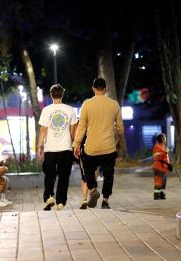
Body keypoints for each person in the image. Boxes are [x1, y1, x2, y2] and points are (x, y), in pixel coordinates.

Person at [72, 78, 123, 209]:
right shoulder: (114, 104)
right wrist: (118, 141)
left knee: (88, 168)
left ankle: (93, 189)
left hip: (91, 148)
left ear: (93, 89)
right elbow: (120, 128)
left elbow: (82, 127)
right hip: (109, 147)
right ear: (105, 89)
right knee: (108, 174)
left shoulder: (87, 105)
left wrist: (76, 144)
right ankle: (105, 201)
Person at [37, 84, 77, 210]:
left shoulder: (46, 110)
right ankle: (61, 202)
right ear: (62, 94)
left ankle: (49, 197)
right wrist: (76, 145)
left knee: (49, 174)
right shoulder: (70, 110)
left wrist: (39, 146)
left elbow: (43, 130)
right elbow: (73, 131)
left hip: (50, 149)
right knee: (63, 176)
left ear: (51, 94)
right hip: (66, 148)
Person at [152, 133, 172, 200]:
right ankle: (157, 196)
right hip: (159, 168)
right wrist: (165, 152)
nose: (165, 139)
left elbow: (164, 157)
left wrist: (168, 164)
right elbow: (158, 157)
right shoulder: (157, 147)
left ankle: (161, 194)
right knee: (158, 182)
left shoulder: (162, 146)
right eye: (165, 138)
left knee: (162, 183)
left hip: (163, 168)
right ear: (162, 139)